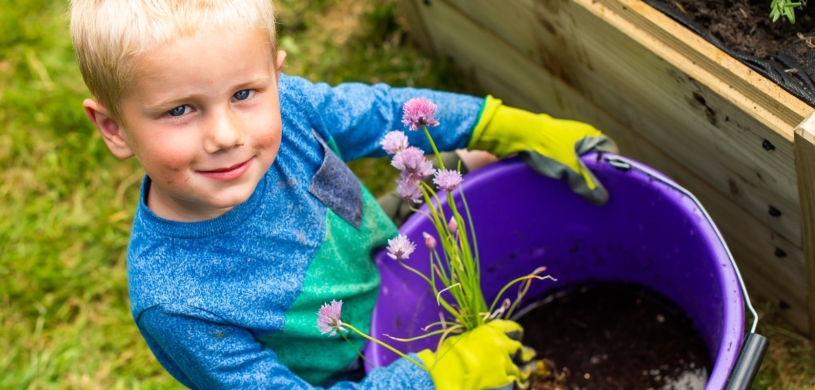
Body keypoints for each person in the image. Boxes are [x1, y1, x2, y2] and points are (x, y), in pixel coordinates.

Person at [69, 0, 615, 388]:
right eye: (179, 110)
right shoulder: (177, 302)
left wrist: (500, 124)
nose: (226, 135)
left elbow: (387, 112)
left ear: (275, 77)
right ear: (114, 127)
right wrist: (437, 379)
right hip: (364, 364)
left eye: (244, 93)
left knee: (485, 163)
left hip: (384, 255)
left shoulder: (291, 107)